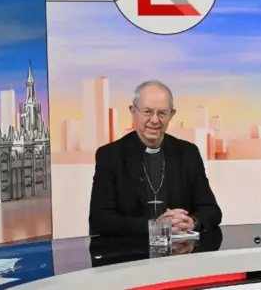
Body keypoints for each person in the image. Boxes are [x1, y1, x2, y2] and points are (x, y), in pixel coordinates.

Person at [89, 80, 222, 236]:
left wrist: (192, 221)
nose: (154, 120)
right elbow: (100, 219)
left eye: (162, 113)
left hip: (180, 253)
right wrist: (155, 227)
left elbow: (211, 210)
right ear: (133, 111)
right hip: (130, 254)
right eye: (147, 112)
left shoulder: (187, 153)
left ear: (171, 115)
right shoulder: (110, 155)